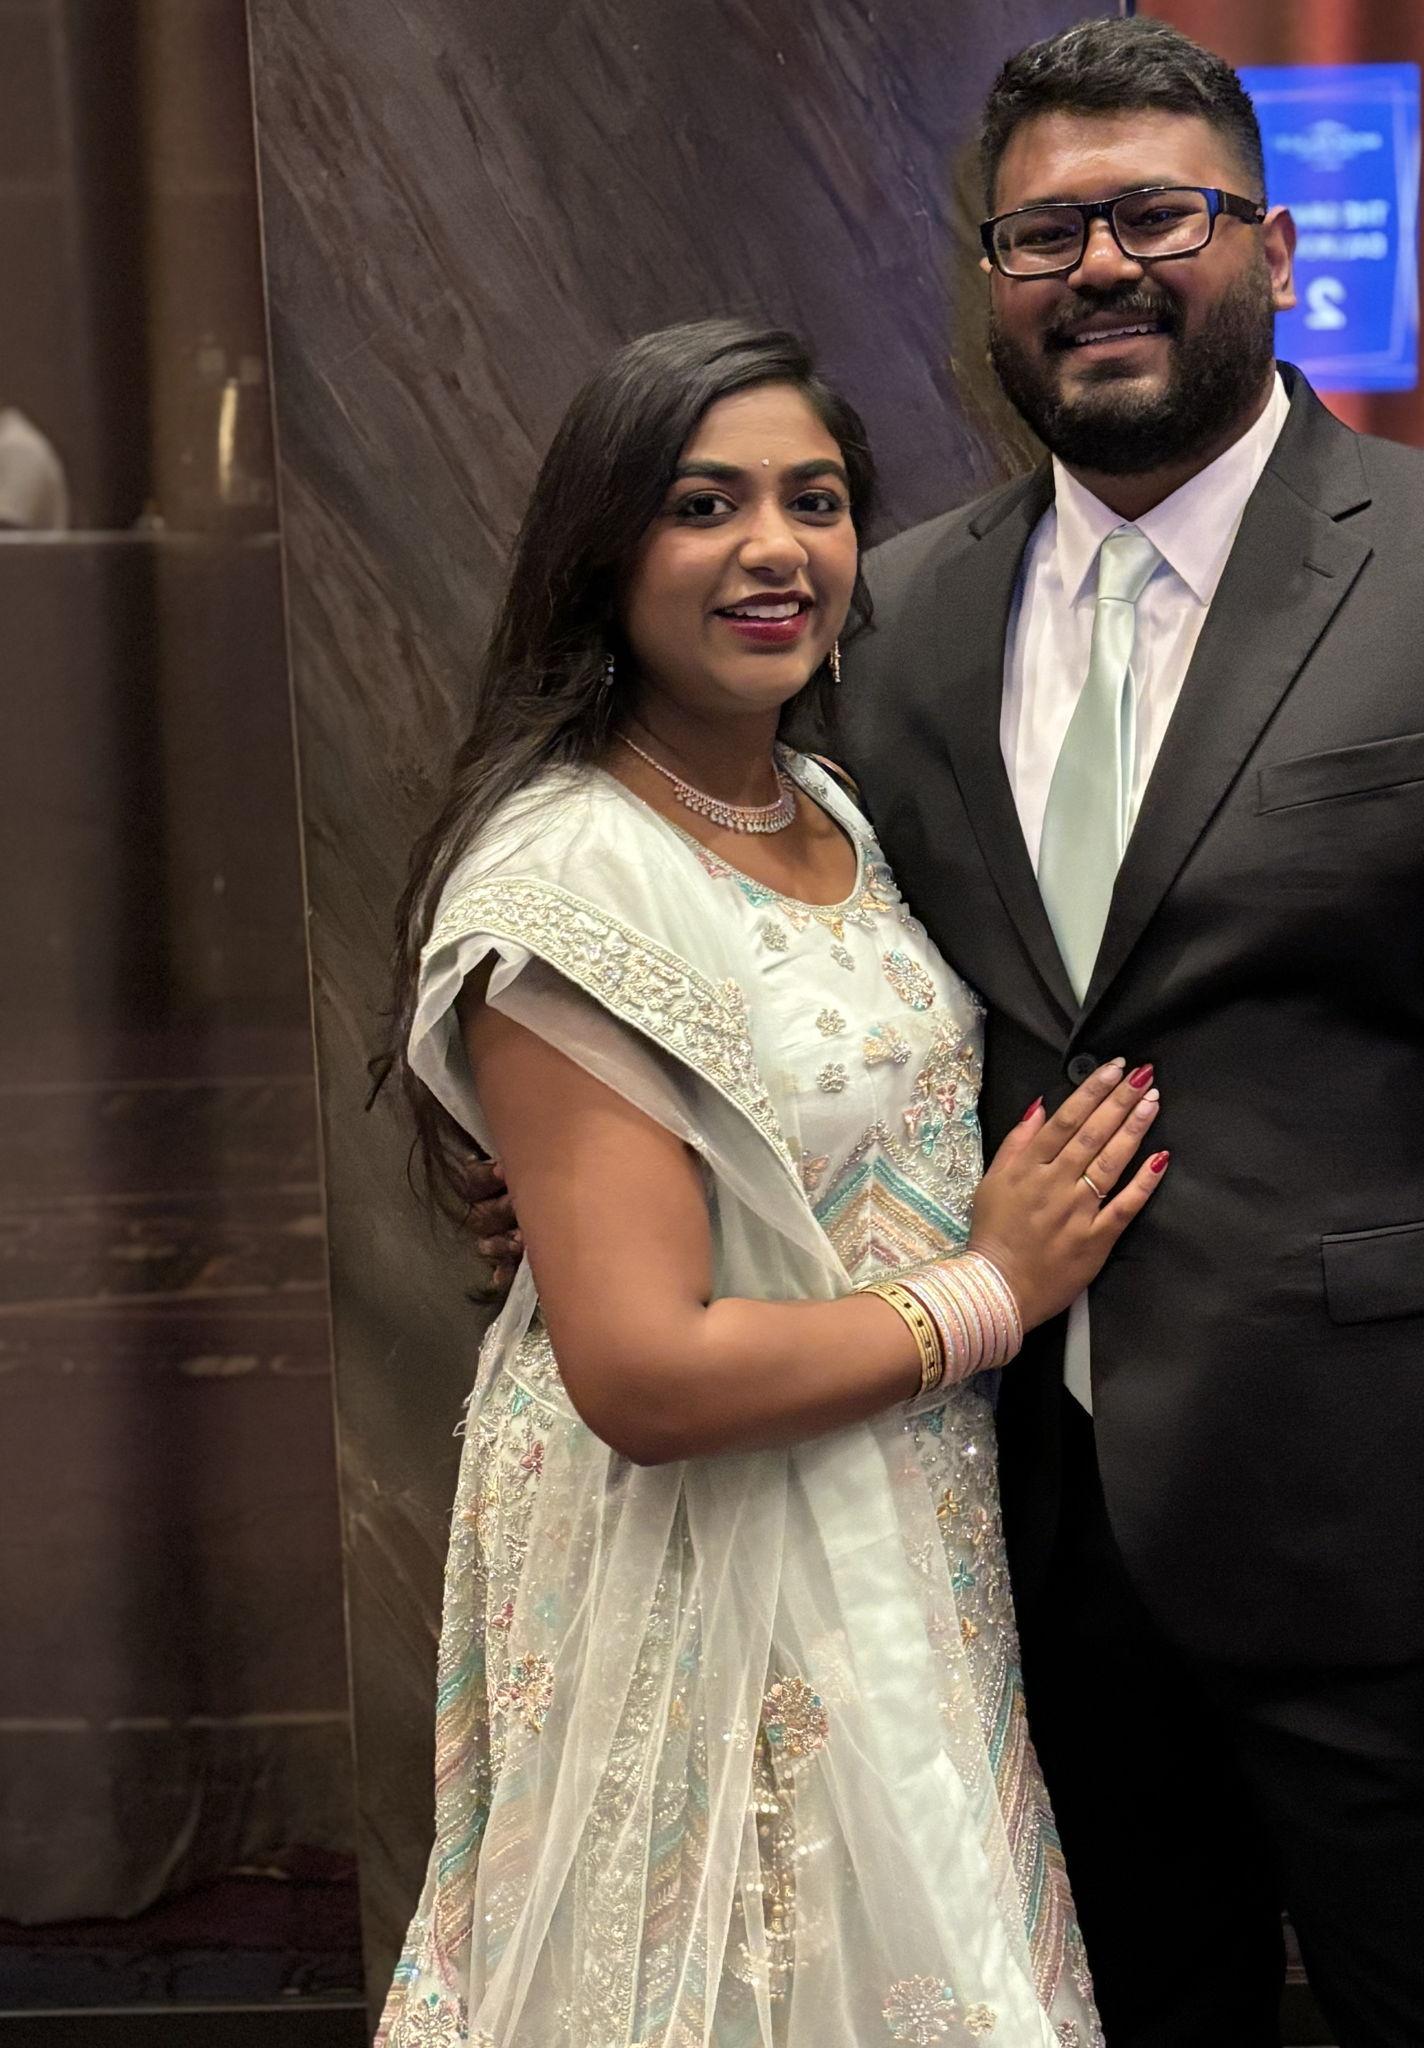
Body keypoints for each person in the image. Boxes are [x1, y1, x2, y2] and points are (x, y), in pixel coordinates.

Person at [471, 20, 1424, 2045]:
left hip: (1389, 1523)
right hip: (997, 1531)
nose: (1103, 266)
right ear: (993, 280)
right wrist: (573, 1156)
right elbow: (780, 949)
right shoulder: (894, 614)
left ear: (1274, 248)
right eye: (1045, 231)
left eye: (1159, 214)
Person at [378, 319, 1169, 2047]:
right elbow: (645, 1375)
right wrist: (995, 1289)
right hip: (707, 1554)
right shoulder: (572, 872)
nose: (774, 549)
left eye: (814, 501)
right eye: (703, 505)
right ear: (604, 551)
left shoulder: (823, 801)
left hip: (903, 1520)